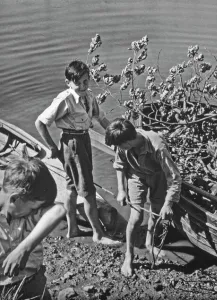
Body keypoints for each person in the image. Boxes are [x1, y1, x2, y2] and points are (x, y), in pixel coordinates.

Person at [35, 59, 121, 246]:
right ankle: (98, 234)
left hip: (84, 139)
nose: (83, 86)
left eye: (86, 81)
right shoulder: (65, 100)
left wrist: (116, 138)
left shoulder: (89, 96)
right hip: (72, 143)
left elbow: (101, 119)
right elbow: (40, 123)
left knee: (72, 187)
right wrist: (51, 147)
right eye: (78, 82)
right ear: (68, 82)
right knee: (88, 191)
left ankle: (73, 228)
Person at [105, 118, 182, 277]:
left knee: (156, 211)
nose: (118, 148)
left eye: (119, 146)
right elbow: (120, 166)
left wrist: (168, 204)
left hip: (157, 175)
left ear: (127, 142)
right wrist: (121, 190)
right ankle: (129, 255)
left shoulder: (157, 147)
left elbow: (174, 177)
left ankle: (149, 242)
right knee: (136, 217)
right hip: (135, 176)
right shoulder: (123, 143)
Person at [0, 157, 66, 299]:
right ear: (15, 199)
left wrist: (23, 249)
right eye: (33, 208)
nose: (35, 212)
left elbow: (59, 209)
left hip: (32, 280)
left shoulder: (24, 210)